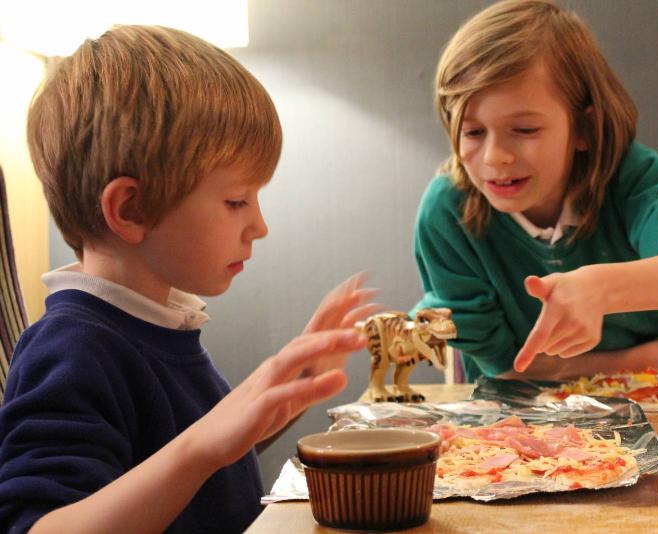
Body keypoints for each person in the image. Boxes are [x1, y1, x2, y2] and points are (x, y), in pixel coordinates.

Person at [0, 25, 379, 533]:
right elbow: (38, 526)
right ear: (130, 208)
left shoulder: (153, 322)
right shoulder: (72, 347)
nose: (259, 226)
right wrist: (201, 445)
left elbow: (185, 463)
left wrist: (278, 399)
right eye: (236, 201)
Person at [412, 0, 658, 383]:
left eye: (524, 130)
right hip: (527, 417)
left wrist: (599, 288)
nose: (494, 157)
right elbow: (504, 368)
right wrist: (641, 358)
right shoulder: (447, 212)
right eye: (472, 132)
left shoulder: (626, 177)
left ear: (584, 129)